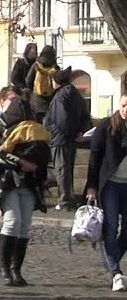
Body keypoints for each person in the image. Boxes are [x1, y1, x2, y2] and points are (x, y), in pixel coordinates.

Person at [0, 87, 49, 286]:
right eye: (11, 99)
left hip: (29, 181)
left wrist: (35, 162)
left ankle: (16, 269)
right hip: (6, 180)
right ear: (3, 102)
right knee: (12, 220)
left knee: (25, 225)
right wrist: (23, 163)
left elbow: (41, 146)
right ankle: (4, 268)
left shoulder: (30, 124)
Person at [85, 95, 127, 292]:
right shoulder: (107, 126)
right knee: (110, 227)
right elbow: (95, 157)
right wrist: (91, 186)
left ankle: (111, 260)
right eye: (123, 105)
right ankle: (116, 272)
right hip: (110, 184)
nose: (125, 109)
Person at [44, 67, 91, 210]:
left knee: (62, 170)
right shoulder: (76, 94)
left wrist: (51, 127)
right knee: (67, 169)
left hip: (60, 138)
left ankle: (65, 201)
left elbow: (61, 119)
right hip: (71, 138)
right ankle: (68, 199)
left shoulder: (60, 96)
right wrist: (80, 131)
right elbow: (85, 117)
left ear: (57, 82)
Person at [26, 44, 59, 122]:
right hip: (50, 102)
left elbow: (28, 80)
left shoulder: (36, 65)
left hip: (36, 102)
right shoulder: (55, 67)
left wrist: (34, 89)